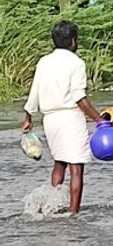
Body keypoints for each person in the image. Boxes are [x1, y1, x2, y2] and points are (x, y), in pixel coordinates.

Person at [21, 21, 104, 215]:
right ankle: (74, 214)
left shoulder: (44, 61)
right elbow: (79, 98)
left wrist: (28, 117)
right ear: (73, 41)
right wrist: (99, 120)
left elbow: (34, 92)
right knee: (76, 168)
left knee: (59, 162)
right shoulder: (76, 63)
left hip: (50, 120)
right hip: (70, 119)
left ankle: (52, 207)